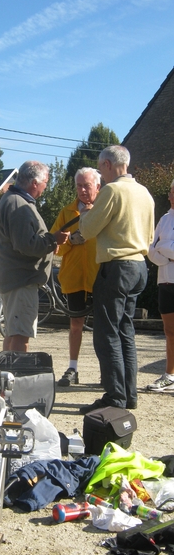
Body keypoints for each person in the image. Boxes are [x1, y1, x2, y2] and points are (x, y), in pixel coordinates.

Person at [78, 145, 154, 414]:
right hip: (139, 266)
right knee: (126, 332)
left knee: (106, 334)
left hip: (116, 266)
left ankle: (114, 396)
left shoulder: (111, 190)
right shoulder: (144, 192)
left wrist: (84, 210)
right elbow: (150, 236)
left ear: (109, 164)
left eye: (100, 168)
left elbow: (87, 229)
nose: (100, 173)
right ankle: (128, 395)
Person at [0, 160, 69, 352]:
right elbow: (26, 245)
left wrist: (49, 242)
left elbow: (23, 239)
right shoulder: (19, 205)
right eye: (45, 183)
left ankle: (6, 377)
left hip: (14, 279)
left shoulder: (12, 199)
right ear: (35, 183)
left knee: (12, 333)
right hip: (21, 281)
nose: (46, 187)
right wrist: (53, 241)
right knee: (20, 336)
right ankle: (16, 379)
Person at [50, 167, 101, 386]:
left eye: (86, 185)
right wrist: (71, 241)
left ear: (98, 186)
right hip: (74, 278)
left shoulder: (104, 209)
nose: (81, 190)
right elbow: (54, 246)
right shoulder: (67, 212)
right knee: (75, 325)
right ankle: (73, 368)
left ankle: (106, 371)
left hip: (100, 277)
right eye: (78, 185)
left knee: (103, 328)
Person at [147, 180, 174, 391]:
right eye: (173, 192)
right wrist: (166, 257)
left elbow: (160, 246)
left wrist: (163, 248)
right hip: (165, 278)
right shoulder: (164, 219)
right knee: (169, 331)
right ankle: (170, 375)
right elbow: (151, 248)